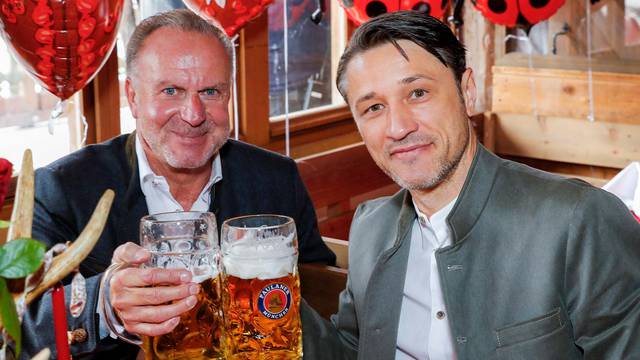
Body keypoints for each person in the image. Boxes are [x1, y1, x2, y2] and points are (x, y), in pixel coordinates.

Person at [301, 10, 640, 360]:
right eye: (373, 107)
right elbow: (352, 352)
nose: (398, 127)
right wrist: (274, 298)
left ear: (467, 90)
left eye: (417, 93)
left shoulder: (578, 220)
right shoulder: (371, 227)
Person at [21, 9, 334, 359]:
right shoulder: (62, 188)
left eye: (211, 91)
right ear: (133, 97)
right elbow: (22, 326)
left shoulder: (276, 178)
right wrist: (104, 301)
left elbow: (321, 291)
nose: (194, 114)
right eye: (171, 90)